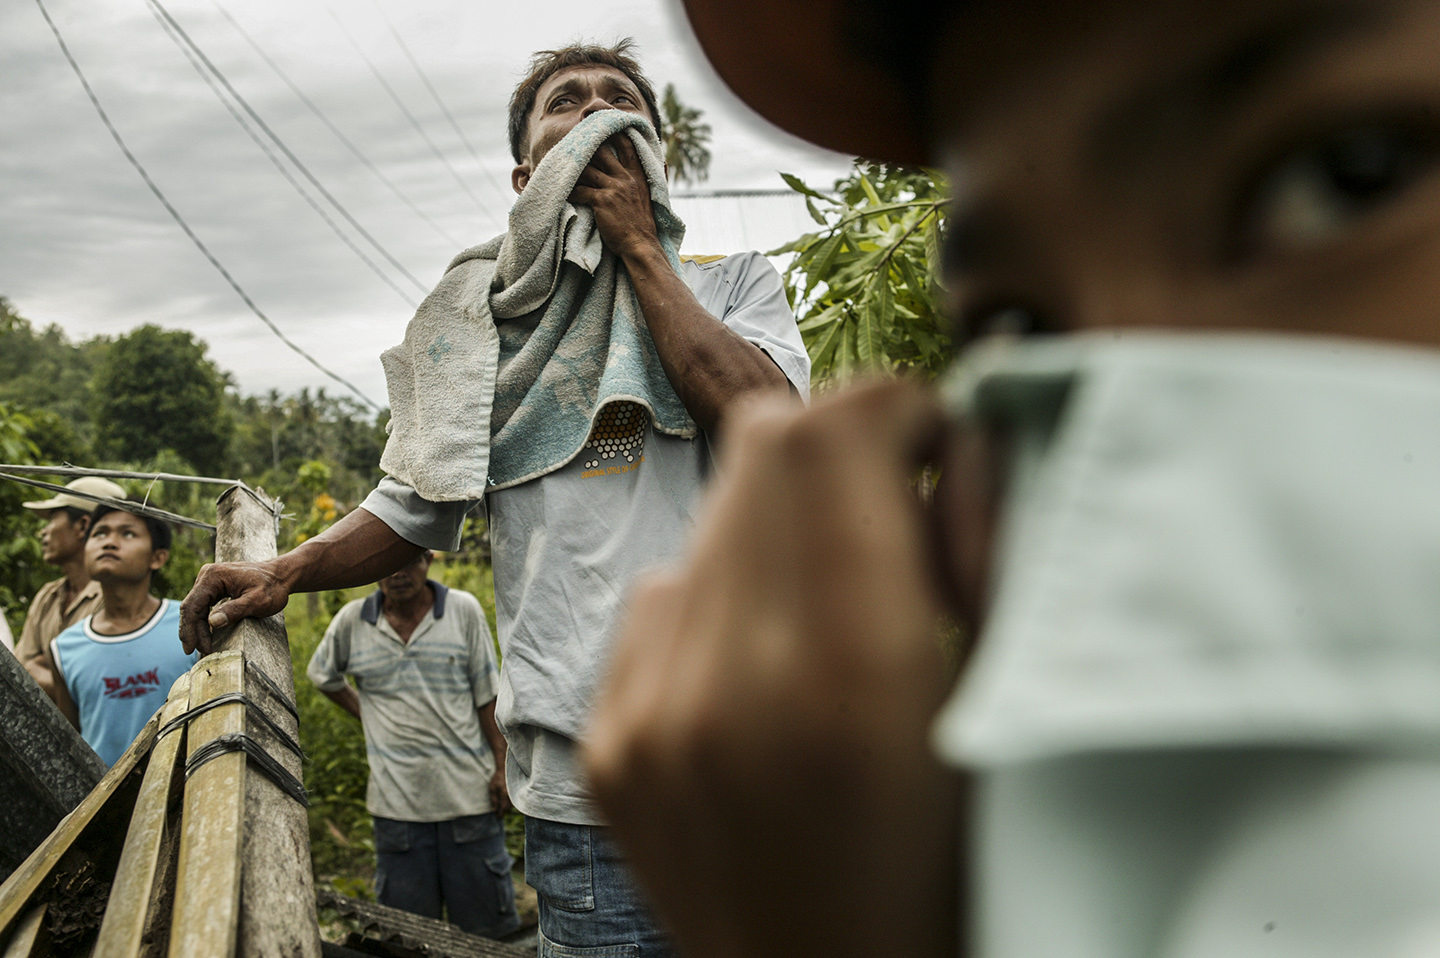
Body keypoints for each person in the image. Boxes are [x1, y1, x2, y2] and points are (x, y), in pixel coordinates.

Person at [576, 1, 1440, 957]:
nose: (1120, 427)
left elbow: (753, 408)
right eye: (1021, 331)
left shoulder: (727, 279)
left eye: (1353, 180)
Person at [181, 40, 807, 957]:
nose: (596, 110)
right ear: (527, 175)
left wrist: (637, 246)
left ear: (654, 154)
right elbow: (415, 505)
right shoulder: (480, 327)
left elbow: (769, 423)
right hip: (593, 800)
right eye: (566, 101)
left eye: (620, 98)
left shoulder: (732, 282)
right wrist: (288, 569)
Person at [306, 551, 519, 938]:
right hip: (396, 810)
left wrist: (501, 765)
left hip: (468, 803)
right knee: (406, 939)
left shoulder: (462, 610)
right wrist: (368, 714)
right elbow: (322, 674)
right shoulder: (353, 621)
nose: (397, 573)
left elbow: (488, 695)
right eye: (386, 563)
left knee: (487, 933)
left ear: (429, 558)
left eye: (409, 561)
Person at [52, 504, 197, 765]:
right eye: (99, 533)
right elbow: (70, 746)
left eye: (127, 534)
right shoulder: (64, 648)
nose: (109, 542)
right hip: (100, 801)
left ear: (158, 557)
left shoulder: (189, 622)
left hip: (180, 796)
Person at [15, 476, 127, 704]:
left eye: (52, 518)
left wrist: (40, 666)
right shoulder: (48, 596)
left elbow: (98, 686)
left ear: (83, 526)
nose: (43, 532)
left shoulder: (114, 596)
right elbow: (20, 670)